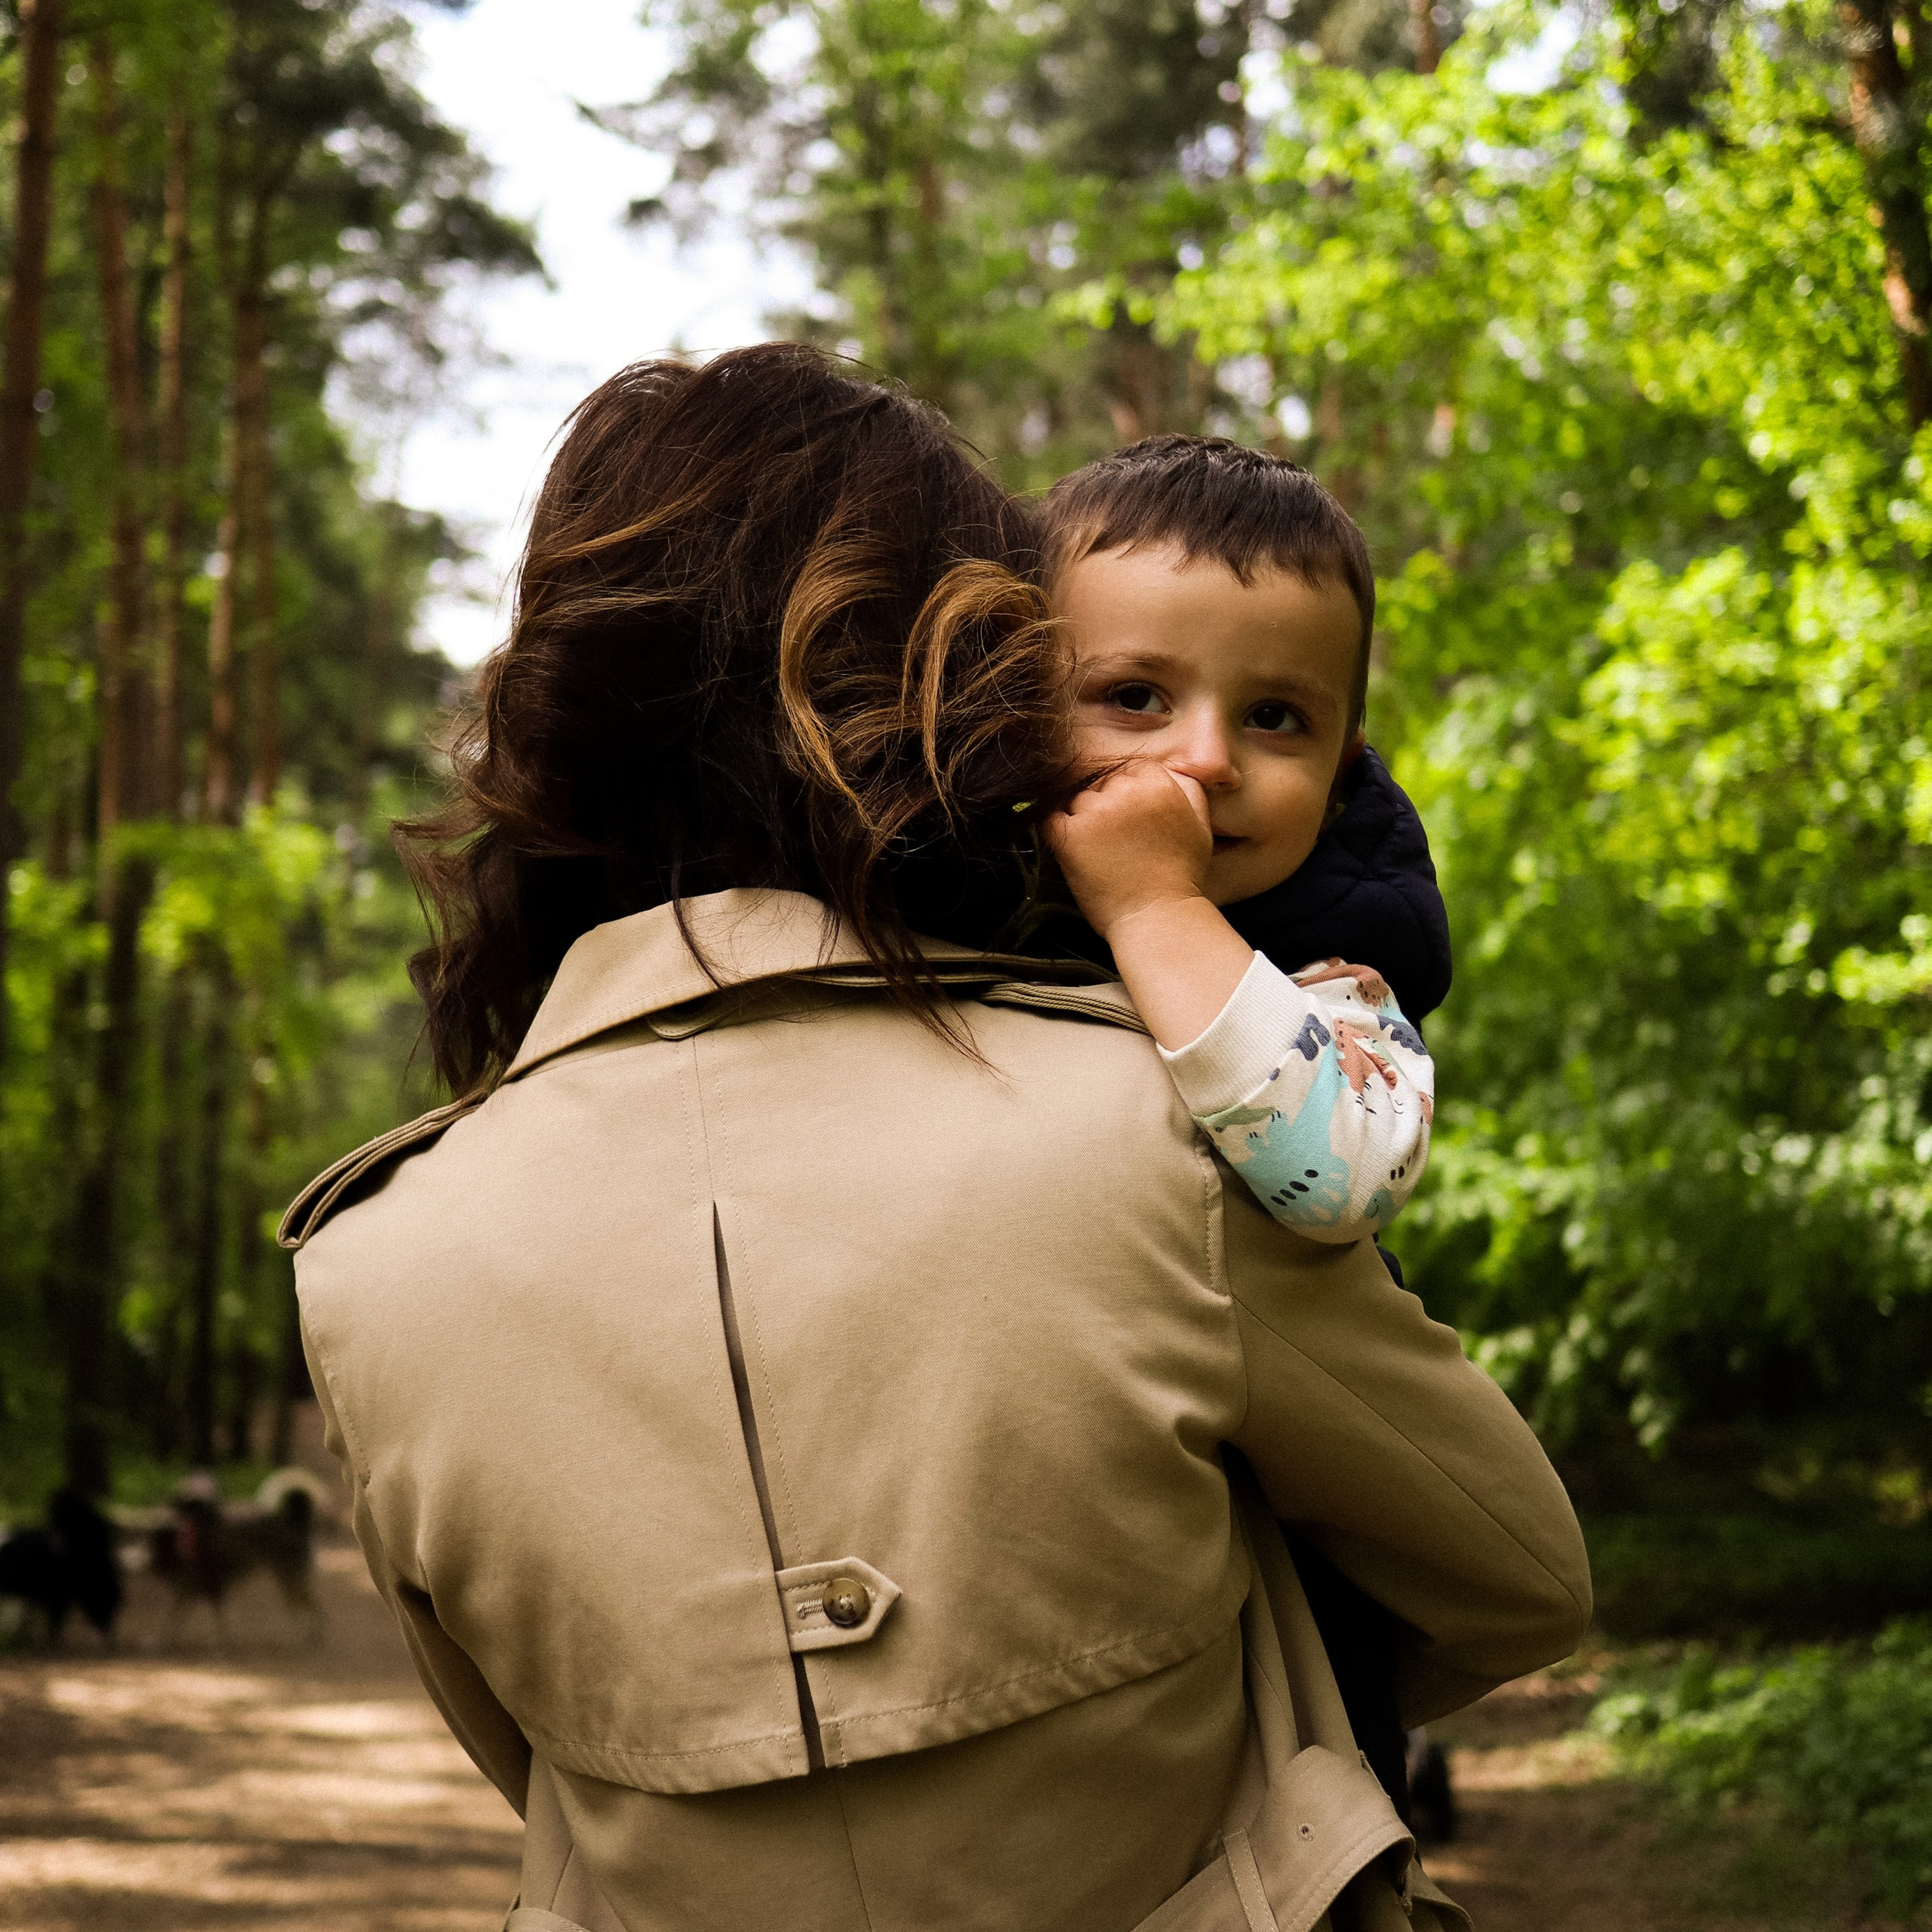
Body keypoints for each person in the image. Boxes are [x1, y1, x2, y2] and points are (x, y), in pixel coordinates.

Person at [281, 344, 1590, 1932]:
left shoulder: (368, 1263)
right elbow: (1513, 1578)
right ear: (925, 692)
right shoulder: (1156, 1118)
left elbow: (529, 1744)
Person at [1035, 435, 1461, 1829]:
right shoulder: (942, 926)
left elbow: (1339, 1175)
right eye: (1135, 697)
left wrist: (1158, 913)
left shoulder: (1335, 981)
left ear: (1345, 764)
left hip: (1282, 1636)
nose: (1204, 760)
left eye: (1278, 718)